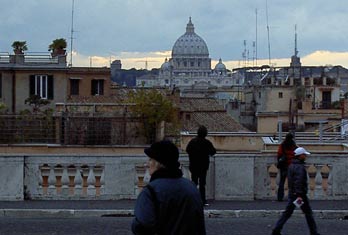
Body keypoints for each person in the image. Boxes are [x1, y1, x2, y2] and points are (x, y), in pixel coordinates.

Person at [132, 140, 206, 235]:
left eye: (150, 159)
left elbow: (141, 226)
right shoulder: (191, 187)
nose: (147, 164)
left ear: (158, 163)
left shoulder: (151, 191)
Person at [272, 147, 320, 235]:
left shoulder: (291, 165)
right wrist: (299, 194)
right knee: (308, 214)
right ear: (300, 156)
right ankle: (314, 232)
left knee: (287, 213)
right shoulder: (300, 167)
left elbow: (292, 180)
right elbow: (299, 181)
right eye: (304, 155)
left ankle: (276, 230)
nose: (305, 156)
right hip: (300, 195)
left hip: (293, 193)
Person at [186, 125, 216, 206]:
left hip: (193, 165)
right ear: (205, 134)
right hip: (203, 166)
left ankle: (193, 200)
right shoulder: (207, 143)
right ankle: (203, 201)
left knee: (194, 183)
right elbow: (213, 152)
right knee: (202, 184)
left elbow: (187, 150)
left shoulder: (192, 142)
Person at [276, 132, 297, 201]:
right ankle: (292, 197)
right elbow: (296, 154)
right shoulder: (293, 145)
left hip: (284, 166)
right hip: (291, 165)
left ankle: (280, 197)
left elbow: (279, 154)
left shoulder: (283, 145)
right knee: (291, 182)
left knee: (282, 182)